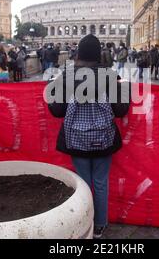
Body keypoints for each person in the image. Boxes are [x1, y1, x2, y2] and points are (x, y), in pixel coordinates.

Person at [46, 34, 130, 239]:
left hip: (76, 139)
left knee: (83, 182)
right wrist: (124, 88)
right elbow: (120, 111)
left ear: (79, 54)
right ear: (98, 54)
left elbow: (56, 110)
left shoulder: (66, 76)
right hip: (104, 139)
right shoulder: (110, 76)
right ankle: (100, 225)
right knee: (101, 181)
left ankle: (85, 222)